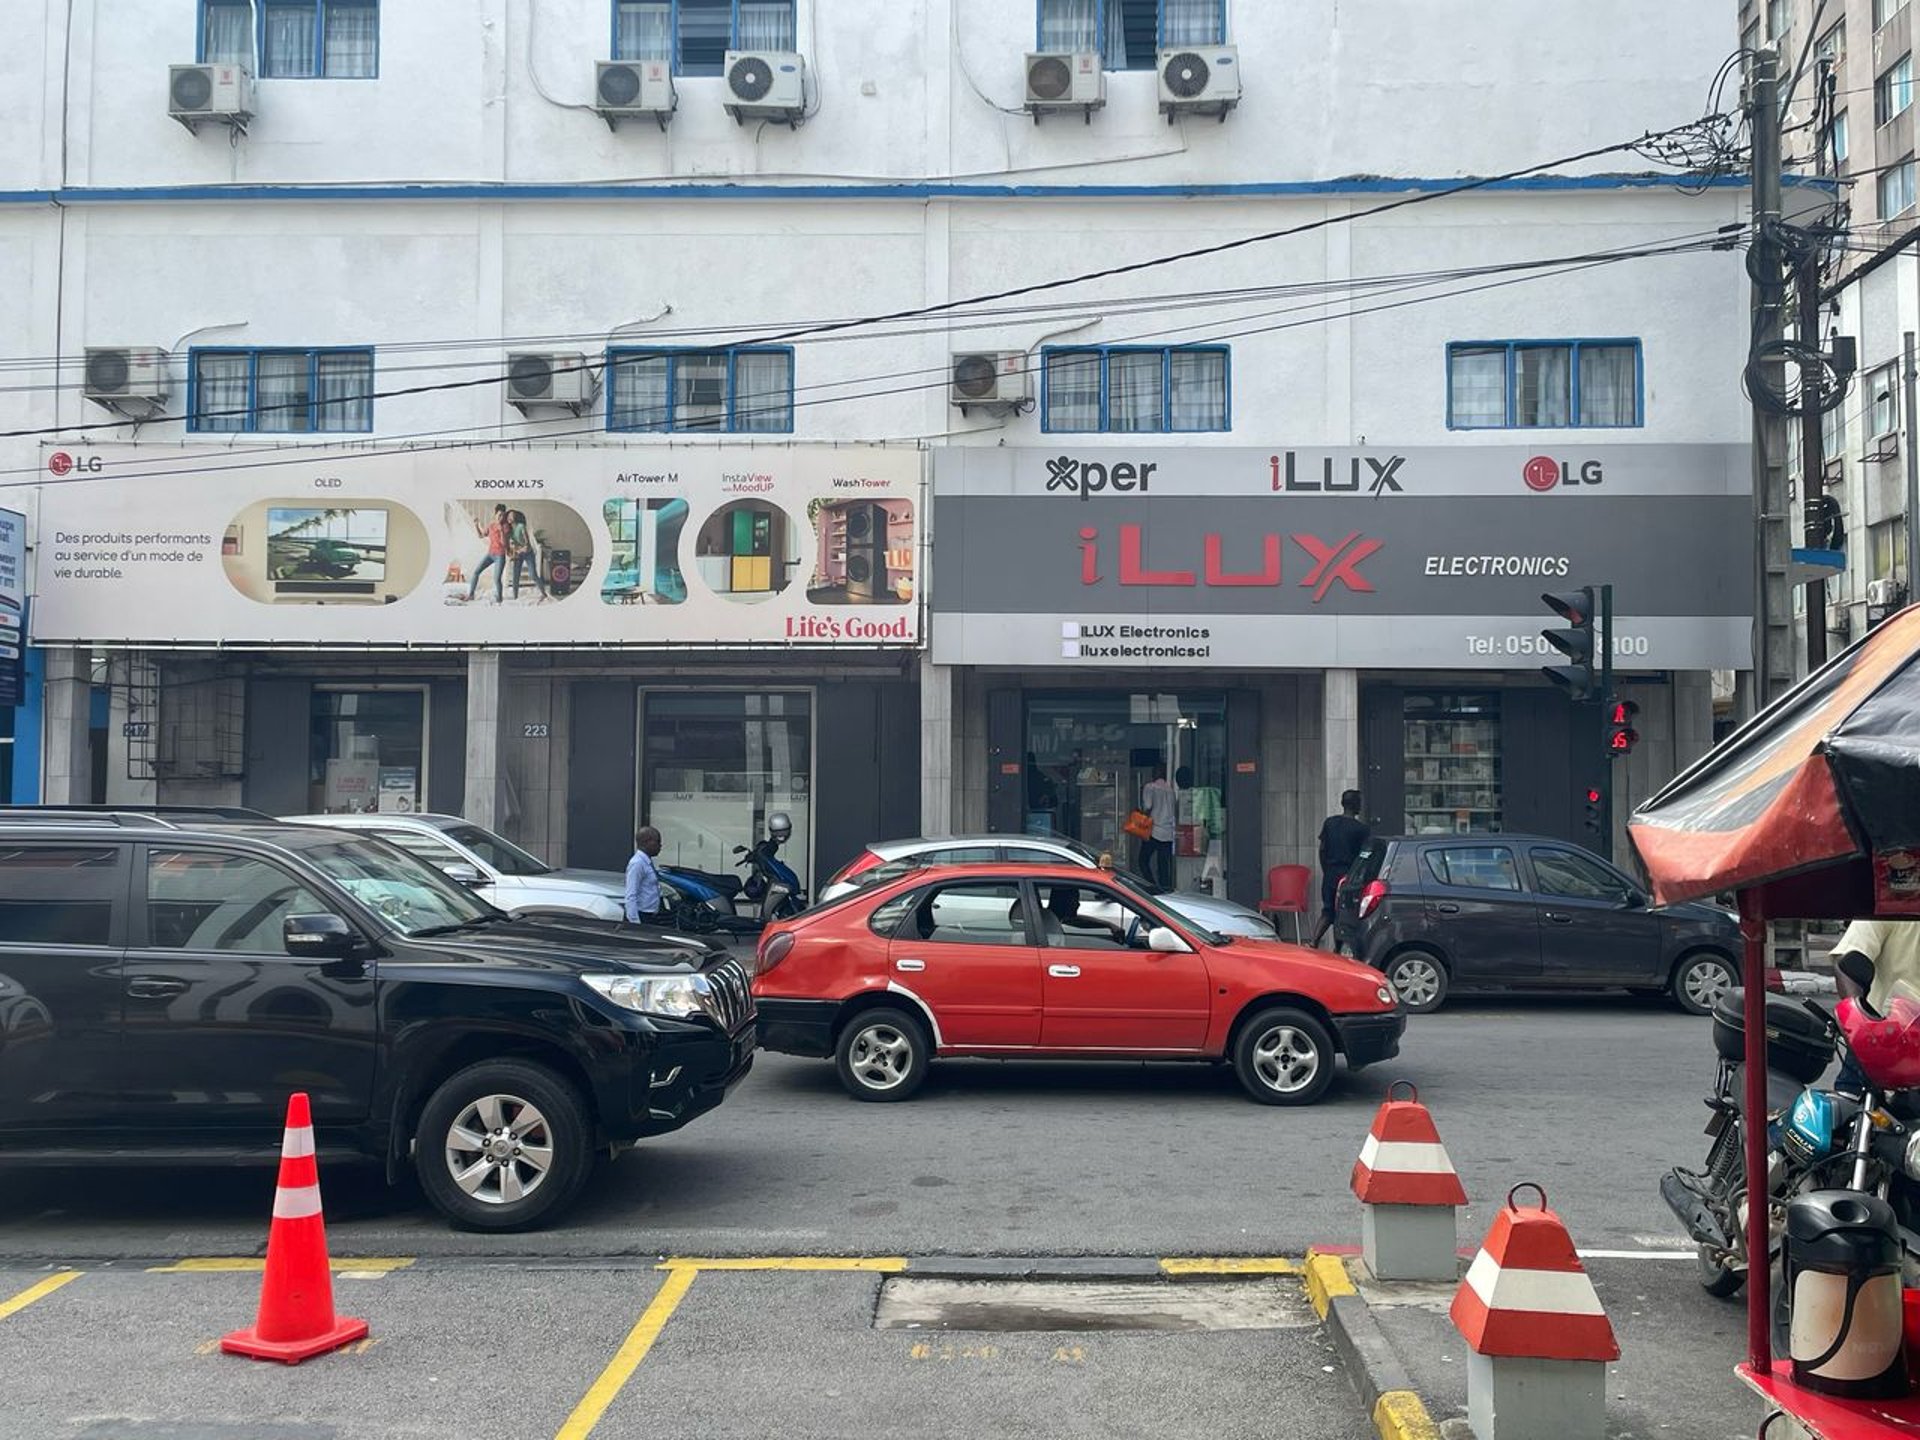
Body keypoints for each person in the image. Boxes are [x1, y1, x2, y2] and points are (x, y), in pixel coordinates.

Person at [1311, 789, 1370, 948]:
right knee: (1344, 913)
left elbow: (1322, 849)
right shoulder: (1361, 830)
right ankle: (1338, 948)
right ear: (1356, 805)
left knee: (1328, 910)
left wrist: (1326, 869)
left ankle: (1314, 941)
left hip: (1330, 872)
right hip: (1348, 876)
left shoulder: (1330, 823)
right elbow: (1363, 857)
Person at [1137, 762, 1178, 891]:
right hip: (1168, 832)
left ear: (1155, 773)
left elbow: (1147, 807)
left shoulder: (1150, 787)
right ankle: (1165, 890)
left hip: (1154, 830)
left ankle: (1151, 885)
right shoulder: (1171, 790)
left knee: (1143, 860)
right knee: (1163, 865)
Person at [465, 504, 509, 604]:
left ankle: (499, 599)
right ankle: (471, 595)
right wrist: (476, 525)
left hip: (500, 556)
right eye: (499, 515)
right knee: (476, 572)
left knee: (497, 579)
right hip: (490, 554)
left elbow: (504, 544)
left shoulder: (505, 527)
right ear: (495, 514)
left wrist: (501, 530)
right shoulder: (491, 525)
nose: (501, 517)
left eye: (503, 515)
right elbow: (481, 535)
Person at [506, 509, 549, 602]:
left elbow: (527, 544)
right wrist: (512, 551)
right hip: (518, 554)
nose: (509, 517)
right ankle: (515, 597)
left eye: (511, 515)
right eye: (508, 515)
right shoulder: (509, 529)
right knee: (515, 576)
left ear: (515, 517)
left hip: (528, 553)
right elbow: (510, 544)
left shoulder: (521, 526)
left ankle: (544, 593)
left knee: (533, 575)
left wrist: (519, 549)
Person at [624, 826, 663, 924]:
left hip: (651, 915)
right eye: (657, 841)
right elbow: (631, 895)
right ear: (647, 842)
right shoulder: (637, 863)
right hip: (642, 916)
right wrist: (635, 922)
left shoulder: (647, 861)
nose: (660, 845)